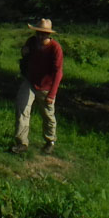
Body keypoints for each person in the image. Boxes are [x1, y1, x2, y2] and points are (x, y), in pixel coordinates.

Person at [13, 18, 64, 155]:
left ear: (49, 34)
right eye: (38, 33)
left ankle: (50, 141)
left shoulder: (55, 48)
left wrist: (52, 94)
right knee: (22, 108)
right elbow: (25, 56)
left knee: (48, 114)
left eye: (44, 33)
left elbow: (58, 72)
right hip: (30, 81)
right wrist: (23, 52)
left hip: (46, 86)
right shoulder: (31, 41)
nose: (40, 36)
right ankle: (22, 143)